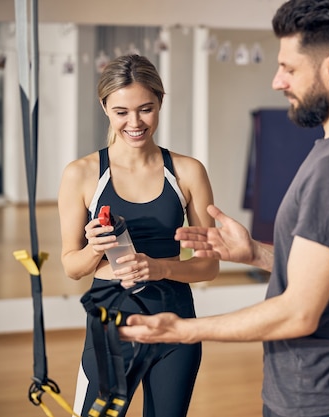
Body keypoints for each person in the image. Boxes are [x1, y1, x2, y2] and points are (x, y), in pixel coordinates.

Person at [119, 1, 329, 416]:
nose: (277, 81)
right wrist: (255, 254)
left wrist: (184, 329)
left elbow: (299, 312)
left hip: (317, 398)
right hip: (328, 387)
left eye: (289, 68)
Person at [57, 54, 219, 417]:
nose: (134, 123)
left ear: (160, 102)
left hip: (175, 320)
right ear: (104, 108)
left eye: (145, 109)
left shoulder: (188, 172)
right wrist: (93, 249)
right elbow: (72, 267)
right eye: (121, 112)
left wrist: (159, 269)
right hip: (112, 322)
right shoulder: (81, 175)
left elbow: (209, 267)